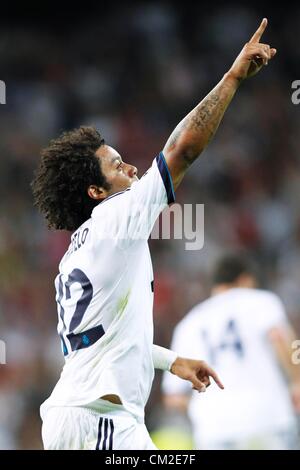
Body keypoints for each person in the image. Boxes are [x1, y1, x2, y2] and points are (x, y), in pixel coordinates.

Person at [31, 19, 275, 450]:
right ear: (95, 191)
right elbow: (182, 150)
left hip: (76, 418)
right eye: (117, 165)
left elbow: (106, 340)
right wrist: (232, 77)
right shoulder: (115, 216)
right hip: (102, 420)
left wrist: (171, 361)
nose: (131, 168)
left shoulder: (76, 252)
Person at [162, 254, 300, 450]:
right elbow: (280, 338)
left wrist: (203, 411)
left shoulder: (189, 323)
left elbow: (174, 398)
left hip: (214, 429)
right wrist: (297, 381)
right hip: (266, 418)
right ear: (246, 279)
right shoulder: (262, 301)